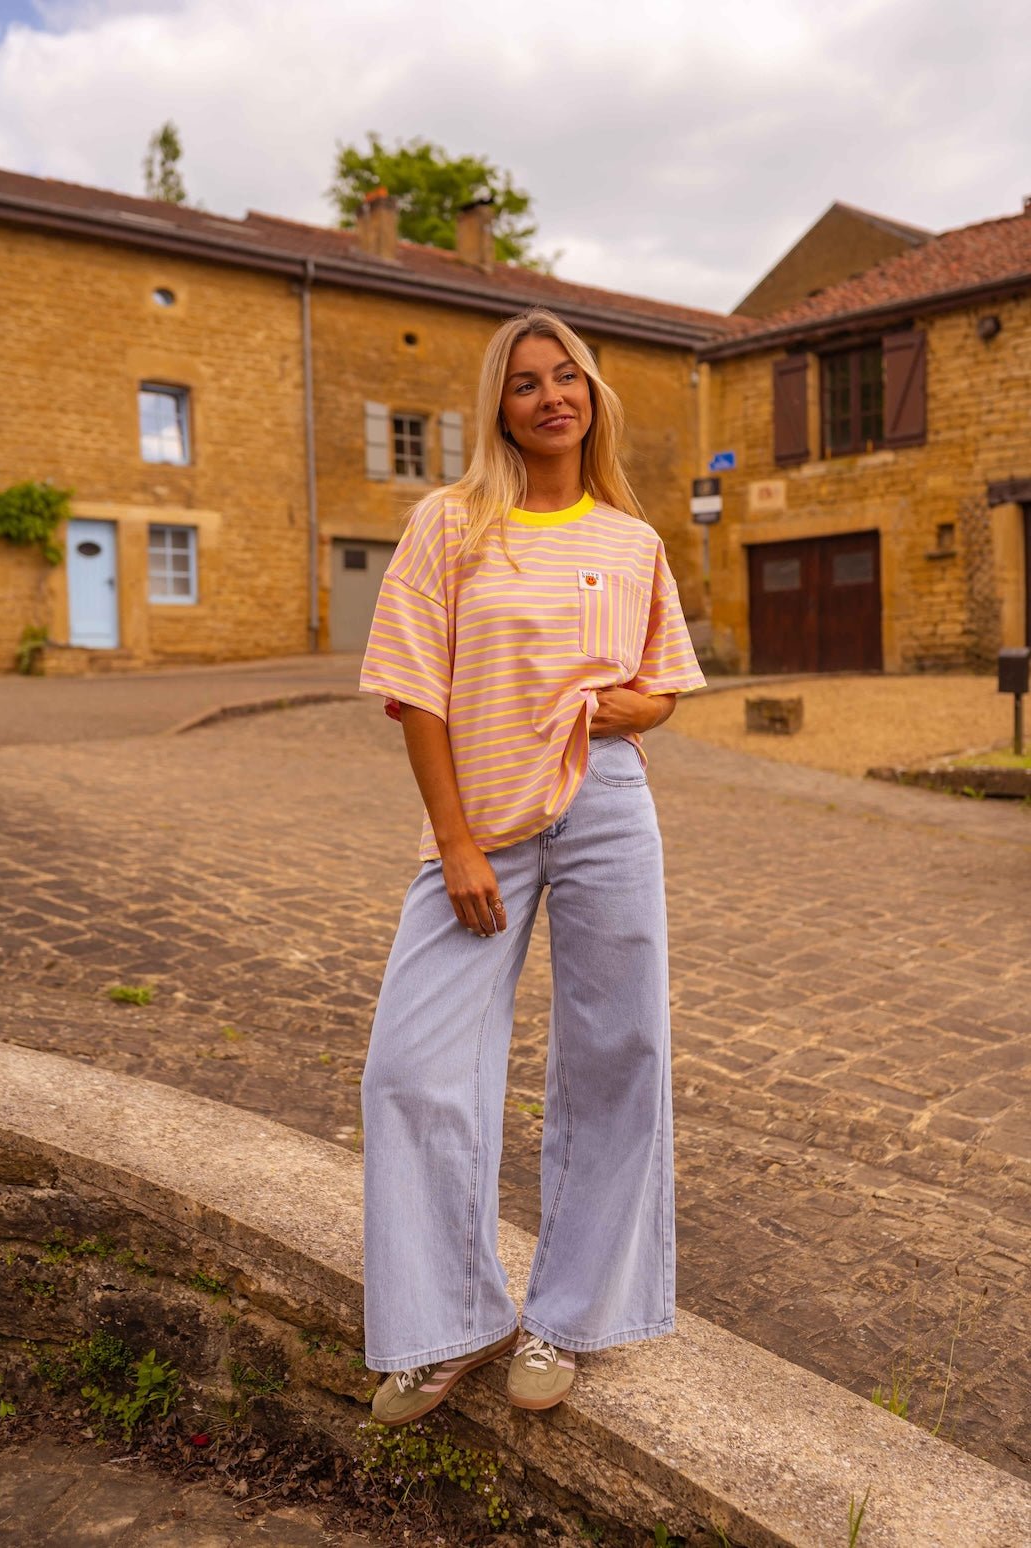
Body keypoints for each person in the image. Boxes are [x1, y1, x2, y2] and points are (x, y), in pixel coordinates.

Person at [358, 306, 705, 1427]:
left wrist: (630, 708)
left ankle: (569, 1317)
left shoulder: (633, 541)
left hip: (607, 805)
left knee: (619, 1053)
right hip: (483, 820)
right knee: (410, 1067)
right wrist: (456, 839)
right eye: (525, 383)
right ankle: (451, 1319)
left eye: (568, 377)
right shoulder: (450, 523)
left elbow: (662, 684)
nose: (551, 396)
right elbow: (413, 690)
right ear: (499, 410)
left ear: (592, 396)